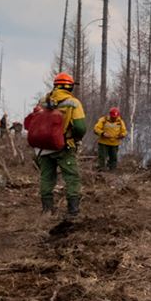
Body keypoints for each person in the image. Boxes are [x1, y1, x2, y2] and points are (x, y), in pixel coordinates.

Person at [35, 72, 87, 217]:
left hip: (43, 147)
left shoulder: (42, 101)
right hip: (63, 146)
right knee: (72, 177)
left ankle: (47, 210)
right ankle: (73, 211)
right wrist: (75, 139)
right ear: (69, 86)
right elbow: (81, 127)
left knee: (46, 177)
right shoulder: (73, 103)